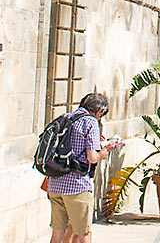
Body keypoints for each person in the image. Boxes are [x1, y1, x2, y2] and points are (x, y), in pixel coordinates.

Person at [47, 93, 118, 243]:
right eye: (102, 115)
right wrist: (103, 153)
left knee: (57, 233)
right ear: (99, 111)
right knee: (83, 233)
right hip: (77, 186)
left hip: (55, 184)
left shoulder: (65, 117)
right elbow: (92, 157)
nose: (100, 118)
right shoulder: (90, 122)